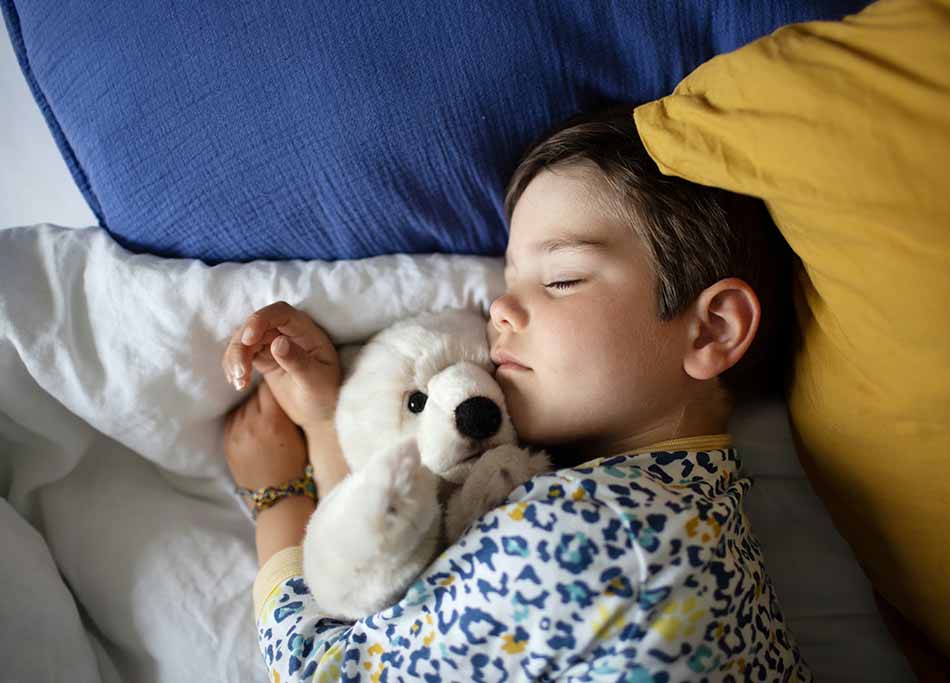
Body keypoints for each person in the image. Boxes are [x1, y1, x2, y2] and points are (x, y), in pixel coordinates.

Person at [221, 102, 810, 681]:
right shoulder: (694, 519)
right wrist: (330, 418)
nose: (500, 308)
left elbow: (323, 670)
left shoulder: (587, 533)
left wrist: (276, 493)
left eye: (561, 279)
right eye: (508, 281)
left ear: (712, 329)